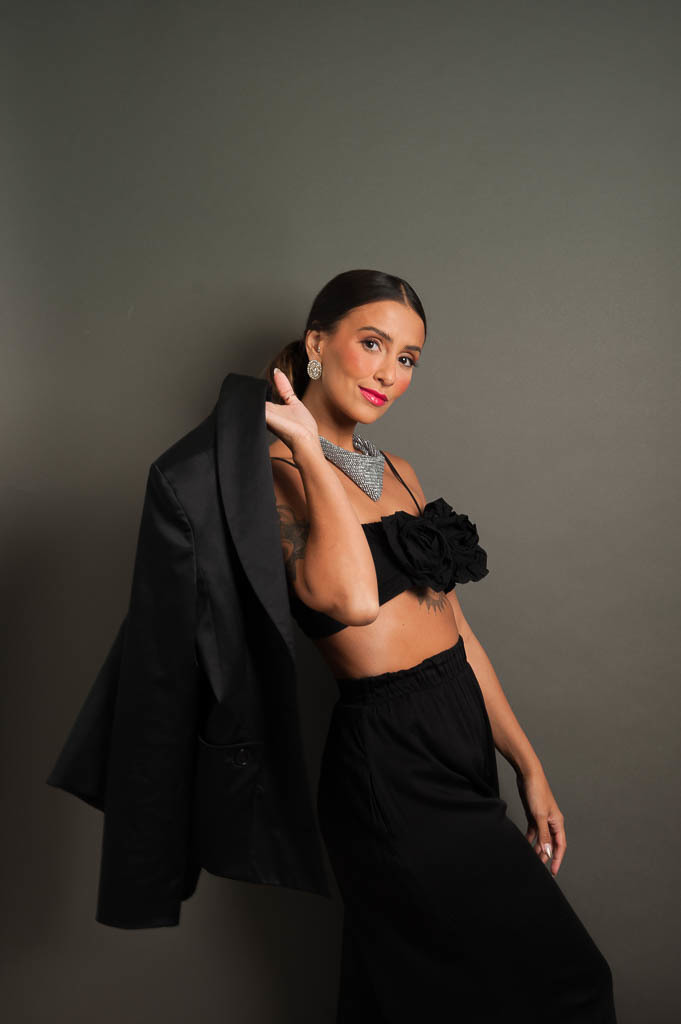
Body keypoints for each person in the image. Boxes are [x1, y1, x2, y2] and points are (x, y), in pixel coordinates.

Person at [263, 269, 617, 1022]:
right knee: (568, 983)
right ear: (317, 343)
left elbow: (457, 633)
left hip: (459, 736)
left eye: (407, 359)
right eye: (372, 344)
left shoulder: (399, 472)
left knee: (416, 994)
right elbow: (353, 601)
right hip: (388, 760)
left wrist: (527, 764)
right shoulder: (277, 474)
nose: (389, 373)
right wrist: (308, 449)